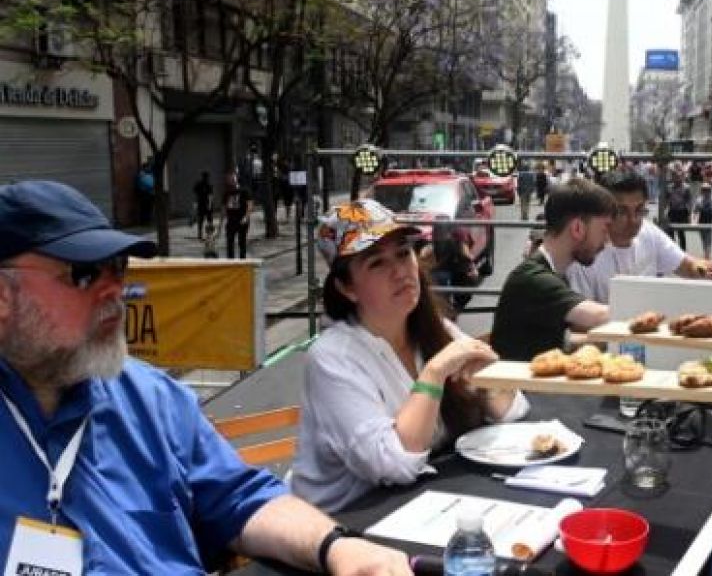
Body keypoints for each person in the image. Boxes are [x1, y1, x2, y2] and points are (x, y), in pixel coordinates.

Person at [0, 180, 412, 575]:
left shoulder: (150, 398)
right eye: (83, 273)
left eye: (118, 268)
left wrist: (335, 546)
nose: (115, 290)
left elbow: (240, 498)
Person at [292, 200, 526, 513]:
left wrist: (486, 382)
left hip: (423, 505)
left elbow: (512, 409)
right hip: (344, 524)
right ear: (347, 288)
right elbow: (393, 465)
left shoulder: (433, 327)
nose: (400, 271)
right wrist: (434, 374)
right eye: (376, 263)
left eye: (403, 253)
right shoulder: (331, 358)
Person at [490, 179, 615, 362]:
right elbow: (601, 317)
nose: (607, 241)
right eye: (604, 230)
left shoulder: (549, 272)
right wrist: (665, 319)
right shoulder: (534, 279)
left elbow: (557, 342)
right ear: (578, 228)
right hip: (519, 389)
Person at [566, 170, 712, 304]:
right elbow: (579, 321)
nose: (633, 220)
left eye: (639, 210)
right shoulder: (585, 256)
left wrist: (703, 268)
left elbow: (686, 265)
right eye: (622, 211)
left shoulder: (648, 233)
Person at [223, 170, 254, 259]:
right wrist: (220, 225)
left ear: (236, 179)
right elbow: (223, 208)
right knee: (229, 242)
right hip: (231, 221)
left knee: (242, 242)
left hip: (242, 221)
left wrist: (246, 217)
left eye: (232, 178)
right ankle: (230, 261)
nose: (230, 181)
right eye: (228, 179)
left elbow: (250, 205)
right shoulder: (227, 193)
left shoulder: (244, 191)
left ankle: (242, 260)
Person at [692, 182, 712, 258]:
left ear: (710, 190)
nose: (706, 191)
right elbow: (695, 211)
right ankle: (706, 254)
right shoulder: (698, 200)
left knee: (709, 241)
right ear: (701, 191)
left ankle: (707, 256)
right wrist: (693, 221)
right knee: (703, 240)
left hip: (711, 221)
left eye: (707, 189)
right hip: (701, 222)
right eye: (704, 190)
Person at [665, 172, 692, 250]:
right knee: (670, 232)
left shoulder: (686, 187)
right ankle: (672, 250)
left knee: (681, 232)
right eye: (675, 177)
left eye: (679, 177)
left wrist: (690, 214)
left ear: (682, 177)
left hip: (682, 212)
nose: (677, 179)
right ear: (673, 178)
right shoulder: (669, 187)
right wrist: (665, 211)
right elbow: (666, 199)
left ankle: (683, 251)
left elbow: (689, 201)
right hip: (672, 211)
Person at [193, 171, 214, 240]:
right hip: (205, 204)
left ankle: (202, 234)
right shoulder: (208, 185)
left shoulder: (199, 184)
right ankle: (208, 234)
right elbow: (210, 196)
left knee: (202, 220)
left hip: (201, 204)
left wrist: (196, 204)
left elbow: (196, 195)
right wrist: (210, 205)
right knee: (208, 220)